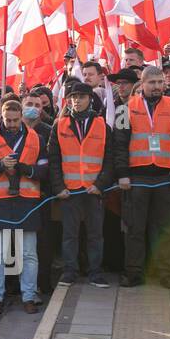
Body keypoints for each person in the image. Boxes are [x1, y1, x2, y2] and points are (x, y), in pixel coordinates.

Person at [120, 65, 170, 288]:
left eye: (160, 82)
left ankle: (167, 273)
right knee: (135, 229)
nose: (158, 86)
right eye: (152, 83)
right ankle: (134, 273)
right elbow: (119, 146)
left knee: (166, 228)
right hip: (136, 178)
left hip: (165, 178)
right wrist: (122, 175)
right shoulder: (125, 109)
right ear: (142, 83)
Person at [0, 98, 47, 314]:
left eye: (16, 120)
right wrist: (0, 165)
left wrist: (24, 168)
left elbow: (44, 170)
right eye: (8, 120)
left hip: (27, 202)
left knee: (28, 254)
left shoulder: (38, 139)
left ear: (22, 117)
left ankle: (29, 296)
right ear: (1, 117)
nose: (12, 124)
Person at [48, 81, 114, 288]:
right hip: (70, 190)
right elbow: (53, 159)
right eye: (73, 97)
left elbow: (109, 159)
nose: (76, 100)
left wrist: (101, 185)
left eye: (81, 97)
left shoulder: (103, 125)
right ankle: (70, 271)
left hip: (93, 190)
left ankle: (95, 272)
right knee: (70, 234)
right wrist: (59, 187)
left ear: (90, 99)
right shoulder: (59, 125)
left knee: (96, 234)